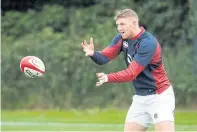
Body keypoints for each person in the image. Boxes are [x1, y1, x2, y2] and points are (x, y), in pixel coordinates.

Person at [81, 8, 175, 132]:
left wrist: (108, 77)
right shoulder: (121, 38)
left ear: (134, 23)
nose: (119, 28)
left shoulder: (148, 42)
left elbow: (131, 73)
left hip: (159, 97)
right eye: (117, 25)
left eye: (122, 24)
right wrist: (93, 54)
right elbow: (103, 57)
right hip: (140, 98)